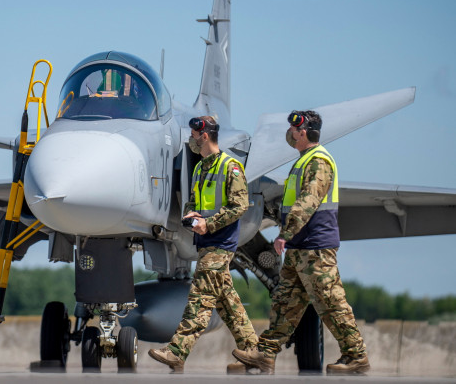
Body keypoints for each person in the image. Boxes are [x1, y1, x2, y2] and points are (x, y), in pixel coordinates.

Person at [232, 110, 370, 375]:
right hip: (300, 248)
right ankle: (266, 354)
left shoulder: (319, 162)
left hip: (315, 247)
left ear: (302, 132)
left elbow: (308, 202)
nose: (290, 134)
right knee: (285, 302)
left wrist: (285, 233)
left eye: (293, 130)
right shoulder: (304, 161)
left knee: (330, 301)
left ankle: (357, 356)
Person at [148, 116, 258, 374]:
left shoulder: (230, 167)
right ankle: (256, 353)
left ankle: (176, 352)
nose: (192, 140)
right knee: (227, 302)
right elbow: (193, 203)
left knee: (199, 300)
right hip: (205, 244)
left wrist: (209, 224)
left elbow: (239, 205)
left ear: (205, 136)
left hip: (220, 244)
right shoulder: (200, 168)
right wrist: (190, 215)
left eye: (195, 135)